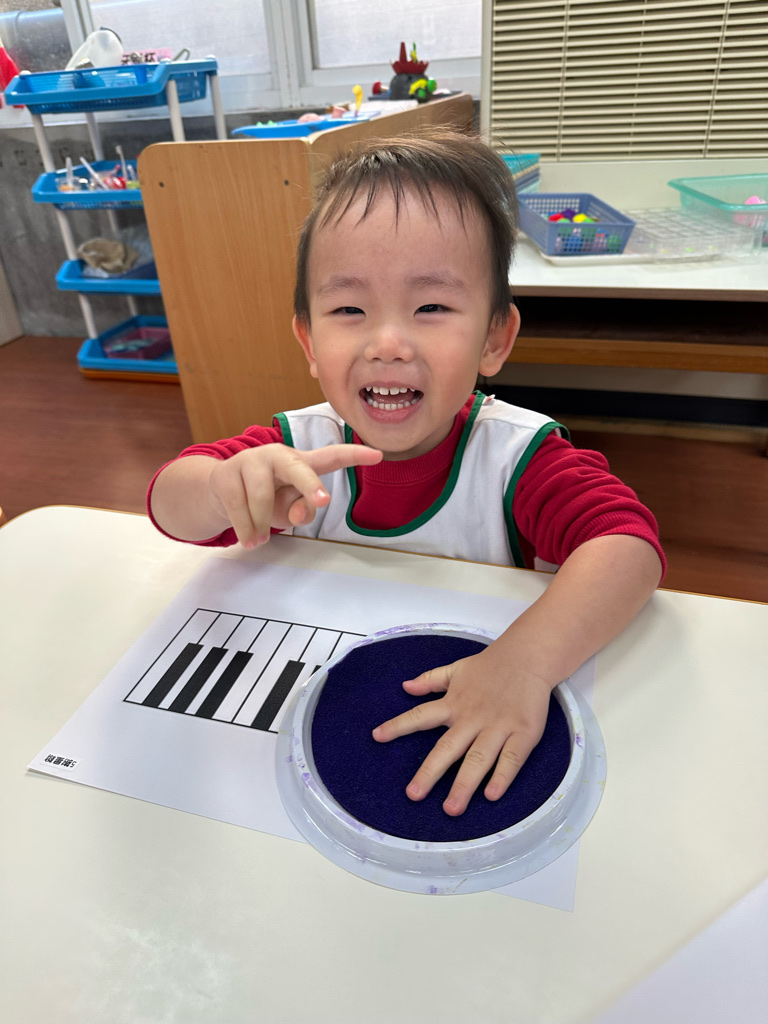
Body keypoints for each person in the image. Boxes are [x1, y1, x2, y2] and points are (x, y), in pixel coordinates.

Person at [149, 128, 664, 818]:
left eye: (431, 308)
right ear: (309, 340)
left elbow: (628, 547)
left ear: (494, 339)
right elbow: (169, 503)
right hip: (315, 731)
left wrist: (525, 664)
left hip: (476, 724)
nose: (387, 343)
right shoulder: (295, 446)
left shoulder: (517, 457)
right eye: (349, 310)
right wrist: (221, 488)